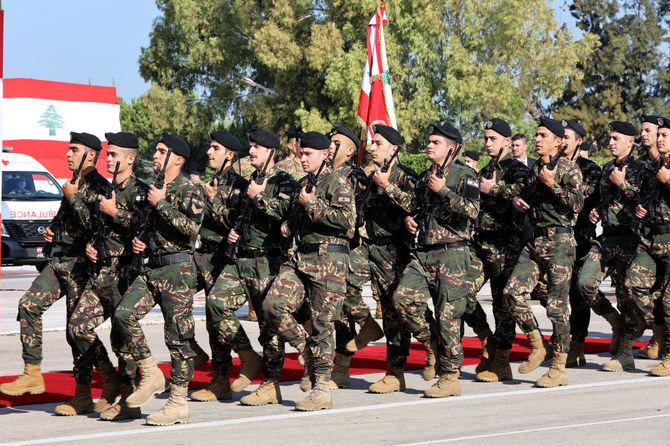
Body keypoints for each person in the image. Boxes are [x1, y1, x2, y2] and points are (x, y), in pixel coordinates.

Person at [0, 132, 115, 416]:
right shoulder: (71, 184)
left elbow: (97, 228)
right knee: (28, 305)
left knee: (75, 333)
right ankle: (32, 371)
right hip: (58, 261)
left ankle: (88, 391)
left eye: (73, 150)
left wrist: (73, 199)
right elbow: (69, 218)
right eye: (68, 149)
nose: (67, 154)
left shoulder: (101, 186)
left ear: (89, 155)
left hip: (80, 266)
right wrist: (53, 230)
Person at [113, 132, 205, 426]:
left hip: (177, 271)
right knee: (124, 314)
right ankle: (151, 371)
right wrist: (143, 241)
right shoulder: (157, 188)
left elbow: (191, 229)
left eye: (161, 151)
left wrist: (163, 204)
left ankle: (178, 403)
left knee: (177, 338)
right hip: (152, 267)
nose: (154, 155)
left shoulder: (187, 189)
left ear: (176, 159)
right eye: (155, 150)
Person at [197, 129, 294, 404]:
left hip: (268, 260)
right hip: (240, 258)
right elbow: (238, 215)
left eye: (256, 148)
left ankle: (271, 384)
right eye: (250, 146)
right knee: (216, 303)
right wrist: (235, 230)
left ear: (271, 152)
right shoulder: (251, 181)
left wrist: (259, 197)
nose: (251, 151)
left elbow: (286, 216)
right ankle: (248, 356)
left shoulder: (284, 181)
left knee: (269, 327)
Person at [261, 131, 355, 411]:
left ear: (325, 154)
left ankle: (321, 390)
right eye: (301, 153)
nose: (302, 158)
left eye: (308, 154)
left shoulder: (339, 181)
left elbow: (347, 221)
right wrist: (290, 223)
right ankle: (307, 351)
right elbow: (299, 215)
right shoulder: (304, 182)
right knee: (272, 305)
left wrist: (310, 204)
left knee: (323, 326)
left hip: (329, 262)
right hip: (301, 258)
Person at [393, 121, 480, 398]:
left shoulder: (464, 174)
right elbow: (415, 207)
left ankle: (450, 376)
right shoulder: (422, 177)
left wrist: (443, 189)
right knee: (402, 299)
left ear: (451, 148)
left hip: (452, 253)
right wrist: (409, 218)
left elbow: (472, 210)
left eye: (436, 143)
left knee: (449, 315)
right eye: (429, 141)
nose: (429, 146)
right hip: (424, 252)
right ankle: (432, 342)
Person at [68, 132, 147, 420]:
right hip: (100, 272)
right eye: (108, 154)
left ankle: (129, 401)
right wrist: (93, 245)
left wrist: (117, 213)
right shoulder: (107, 189)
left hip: (124, 274)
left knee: (122, 340)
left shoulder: (139, 190)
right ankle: (109, 377)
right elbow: (97, 227)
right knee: (77, 327)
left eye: (114, 155)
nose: (109, 159)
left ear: (130, 158)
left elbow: (145, 226)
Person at [506, 116, 583, 387]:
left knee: (556, 306)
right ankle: (538, 344)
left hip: (560, 242)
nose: (537, 139)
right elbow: (522, 194)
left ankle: (559, 366)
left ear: (558, 142)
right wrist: (517, 200)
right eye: (536, 135)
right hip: (535, 241)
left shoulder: (568, 168)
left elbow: (576, 204)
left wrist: (553, 184)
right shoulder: (534, 169)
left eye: (543, 136)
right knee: (511, 293)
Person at [338, 125, 417, 391]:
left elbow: (416, 207)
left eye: (378, 143)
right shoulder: (368, 176)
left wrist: (388, 188)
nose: (372, 148)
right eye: (372, 143)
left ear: (394, 149)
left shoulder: (406, 177)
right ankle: (367, 324)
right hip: (365, 246)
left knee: (394, 312)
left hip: (392, 250)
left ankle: (395, 372)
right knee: (340, 282)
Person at [461, 118, 530, 383]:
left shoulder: (515, 168)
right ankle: (486, 338)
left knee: (503, 305)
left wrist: (495, 189)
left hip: (506, 244)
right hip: (481, 243)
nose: (488, 143)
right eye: (486, 138)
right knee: (462, 293)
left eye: (493, 139)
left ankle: (502, 360)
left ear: (506, 141)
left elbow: (525, 189)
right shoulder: (484, 170)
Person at [576, 121, 643, 372]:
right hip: (606, 238)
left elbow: (649, 202)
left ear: (630, 142)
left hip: (629, 239)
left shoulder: (642, 168)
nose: (611, 142)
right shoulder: (606, 168)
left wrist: (623, 183)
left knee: (627, 298)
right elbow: (604, 199)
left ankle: (626, 353)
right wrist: (596, 211)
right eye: (610, 137)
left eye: (616, 138)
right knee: (584, 283)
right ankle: (613, 320)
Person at [325, 125, 385, 390]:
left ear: (350, 151)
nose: (329, 146)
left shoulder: (354, 175)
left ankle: (366, 326)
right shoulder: (324, 173)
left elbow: (349, 217)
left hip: (351, 247)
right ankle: (340, 367)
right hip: (326, 250)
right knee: (334, 311)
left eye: (335, 142)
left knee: (343, 295)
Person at [559, 120, 603, 367]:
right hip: (554, 239)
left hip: (580, 238)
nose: (562, 140)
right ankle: (559, 342)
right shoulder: (551, 165)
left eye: (567, 136)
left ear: (578, 141)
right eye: (561, 136)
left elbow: (584, 198)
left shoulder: (591, 169)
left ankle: (577, 344)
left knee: (577, 295)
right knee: (553, 293)